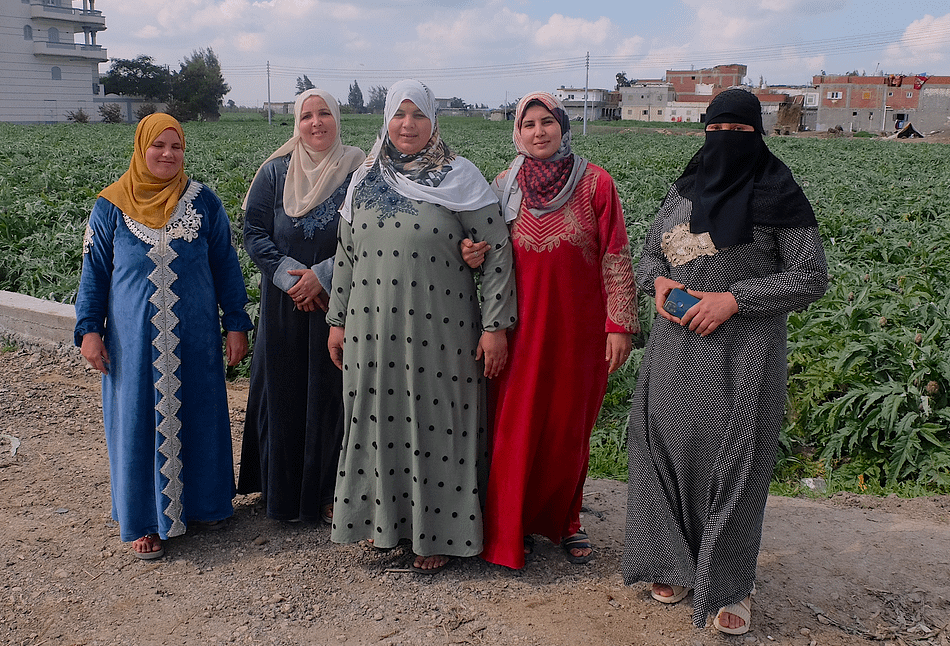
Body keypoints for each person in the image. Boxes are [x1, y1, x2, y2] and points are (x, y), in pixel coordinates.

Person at [621, 89, 828, 634]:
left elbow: (809, 278)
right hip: (674, 350)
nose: (728, 142)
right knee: (662, 448)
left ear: (757, 135)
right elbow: (646, 255)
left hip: (743, 354)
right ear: (705, 132)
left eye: (740, 132)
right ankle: (672, 563)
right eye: (719, 130)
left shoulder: (778, 193)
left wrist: (734, 300)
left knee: (734, 462)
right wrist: (659, 282)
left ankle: (732, 584)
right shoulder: (683, 190)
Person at [326, 79, 517, 574]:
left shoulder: (459, 177)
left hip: (442, 330)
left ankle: (440, 535)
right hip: (370, 329)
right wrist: (337, 321)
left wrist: (495, 327)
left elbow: (495, 252)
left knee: (437, 425)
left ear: (433, 121)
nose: (407, 125)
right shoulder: (366, 176)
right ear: (385, 120)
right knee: (377, 423)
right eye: (398, 114)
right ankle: (385, 526)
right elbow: (346, 255)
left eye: (418, 115)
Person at [462, 92, 639, 570]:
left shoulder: (596, 183)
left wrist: (619, 324)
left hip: (577, 333)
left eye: (548, 122)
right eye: (529, 124)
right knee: (515, 428)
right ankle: (510, 526)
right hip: (518, 331)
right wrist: (472, 254)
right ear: (516, 133)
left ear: (562, 126)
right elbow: (483, 248)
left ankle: (566, 521)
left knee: (567, 428)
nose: (539, 132)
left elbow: (616, 254)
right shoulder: (501, 185)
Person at [75, 113, 253, 560]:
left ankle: (204, 505)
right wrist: (89, 330)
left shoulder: (203, 203)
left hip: (192, 339)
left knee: (199, 412)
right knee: (137, 421)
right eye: (159, 146)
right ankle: (144, 521)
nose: (168, 155)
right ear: (141, 148)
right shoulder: (111, 207)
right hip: (133, 345)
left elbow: (226, 266)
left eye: (176, 147)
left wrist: (235, 322)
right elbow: (94, 274)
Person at [236, 89, 365, 524]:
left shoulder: (358, 170)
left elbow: (365, 233)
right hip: (284, 303)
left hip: (338, 300)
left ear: (337, 118)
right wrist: (294, 277)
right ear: (297, 122)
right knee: (283, 390)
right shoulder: (275, 173)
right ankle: (280, 492)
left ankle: (327, 493)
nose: (316, 123)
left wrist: (322, 275)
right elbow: (254, 231)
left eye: (324, 113)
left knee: (332, 397)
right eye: (307, 115)